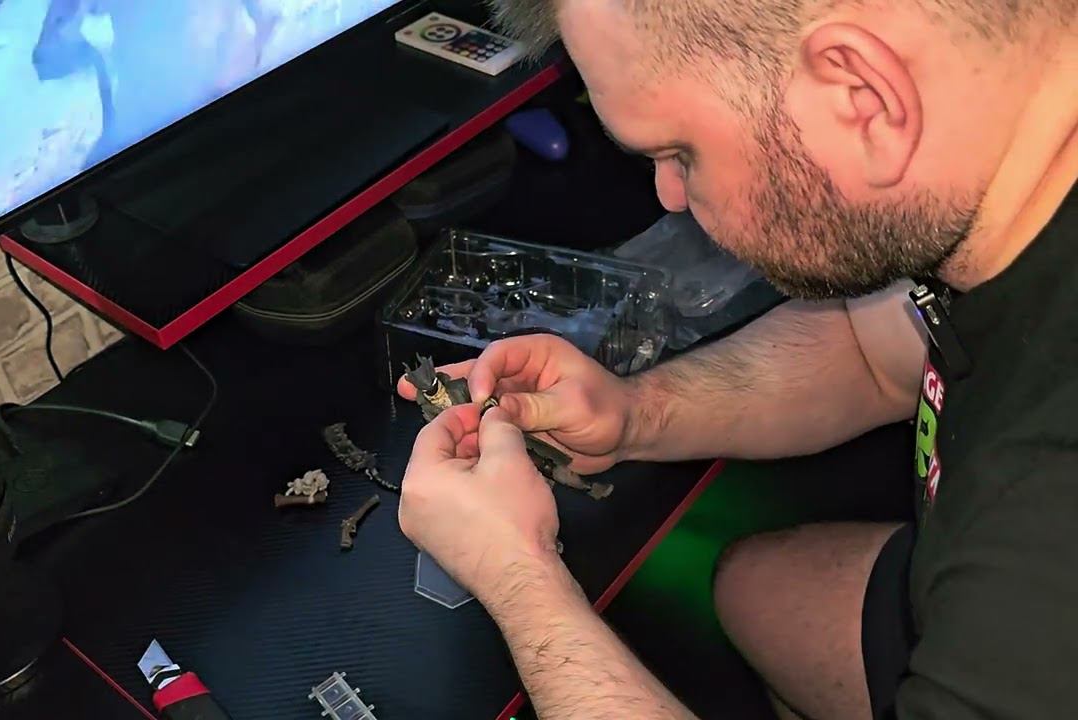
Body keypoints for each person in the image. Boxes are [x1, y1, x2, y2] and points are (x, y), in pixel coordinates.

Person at [396, 0, 1078, 717]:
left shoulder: (1043, 509)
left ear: (862, 97)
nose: (671, 197)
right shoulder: (1011, 154)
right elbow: (875, 354)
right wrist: (636, 414)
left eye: (679, 153)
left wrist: (517, 573)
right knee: (759, 589)